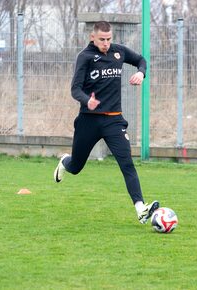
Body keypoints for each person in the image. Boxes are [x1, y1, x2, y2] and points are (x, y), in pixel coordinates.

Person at [53, 21, 159, 223]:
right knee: (76, 166)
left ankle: (140, 209)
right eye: (102, 39)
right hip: (88, 121)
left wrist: (141, 73)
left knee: (126, 163)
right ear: (93, 37)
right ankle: (64, 162)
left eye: (109, 39)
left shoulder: (118, 52)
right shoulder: (84, 57)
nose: (106, 43)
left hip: (114, 121)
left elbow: (141, 60)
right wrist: (87, 101)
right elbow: (75, 89)